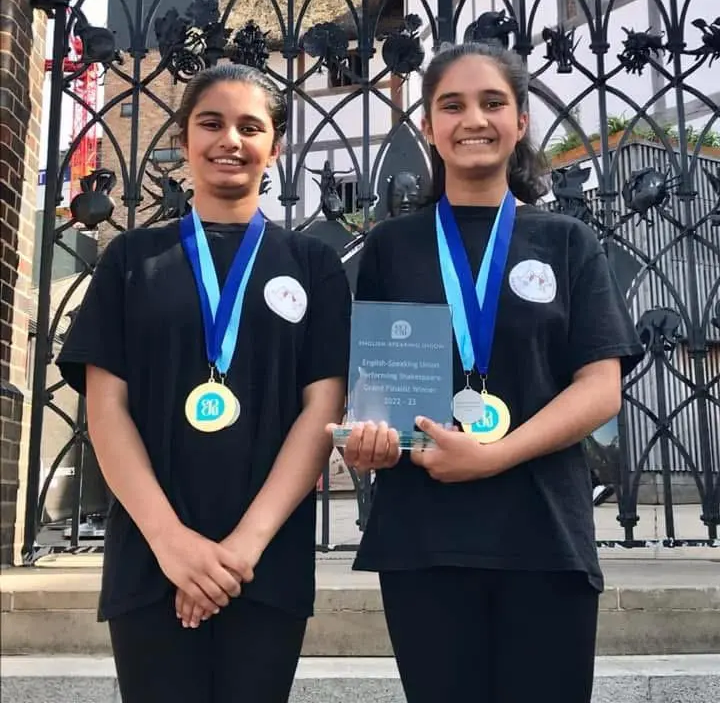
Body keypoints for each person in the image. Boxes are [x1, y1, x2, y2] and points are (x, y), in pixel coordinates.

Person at [339, 42, 644, 703]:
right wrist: (369, 439)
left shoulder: (567, 241)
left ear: (521, 121)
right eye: (452, 104)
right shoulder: (394, 244)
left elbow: (599, 388)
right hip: (426, 542)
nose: (472, 118)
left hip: (544, 535)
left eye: (492, 102)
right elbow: (379, 394)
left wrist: (495, 455)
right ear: (428, 125)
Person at [58, 62, 351, 703]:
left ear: (275, 145)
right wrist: (172, 544)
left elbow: (322, 410)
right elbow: (107, 410)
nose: (230, 140)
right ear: (186, 136)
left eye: (250, 126)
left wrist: (241, 550)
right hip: (150, 556)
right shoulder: (131, 260)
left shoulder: (313, 265)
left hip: (265, 561)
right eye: (211, 123)